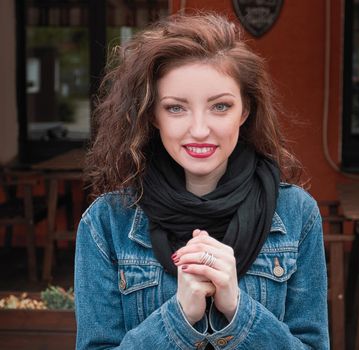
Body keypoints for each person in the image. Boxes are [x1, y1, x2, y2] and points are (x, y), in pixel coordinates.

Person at [75, 12, 329, 350]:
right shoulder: (106, 222)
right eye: (176, 108)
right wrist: (178, 318)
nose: (198, 129)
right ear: (152, 115)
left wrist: (238, 309)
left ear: (245, 110)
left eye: (220, 106)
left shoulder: (297, 213)